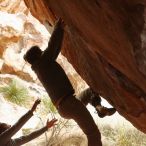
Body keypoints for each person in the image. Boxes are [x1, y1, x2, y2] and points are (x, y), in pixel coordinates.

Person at [23, 18, 115, 146]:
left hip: (66, 106)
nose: (44, 52)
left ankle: (99, 108)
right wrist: (58, 28)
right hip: (69, 104)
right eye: (41, 52)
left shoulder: (40, 67)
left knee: (91, 91)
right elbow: (52, 47)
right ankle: (99, 109)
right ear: (39, 56)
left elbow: (52, 50)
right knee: (93, 133)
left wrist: (58, 31)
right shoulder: (43, 63)